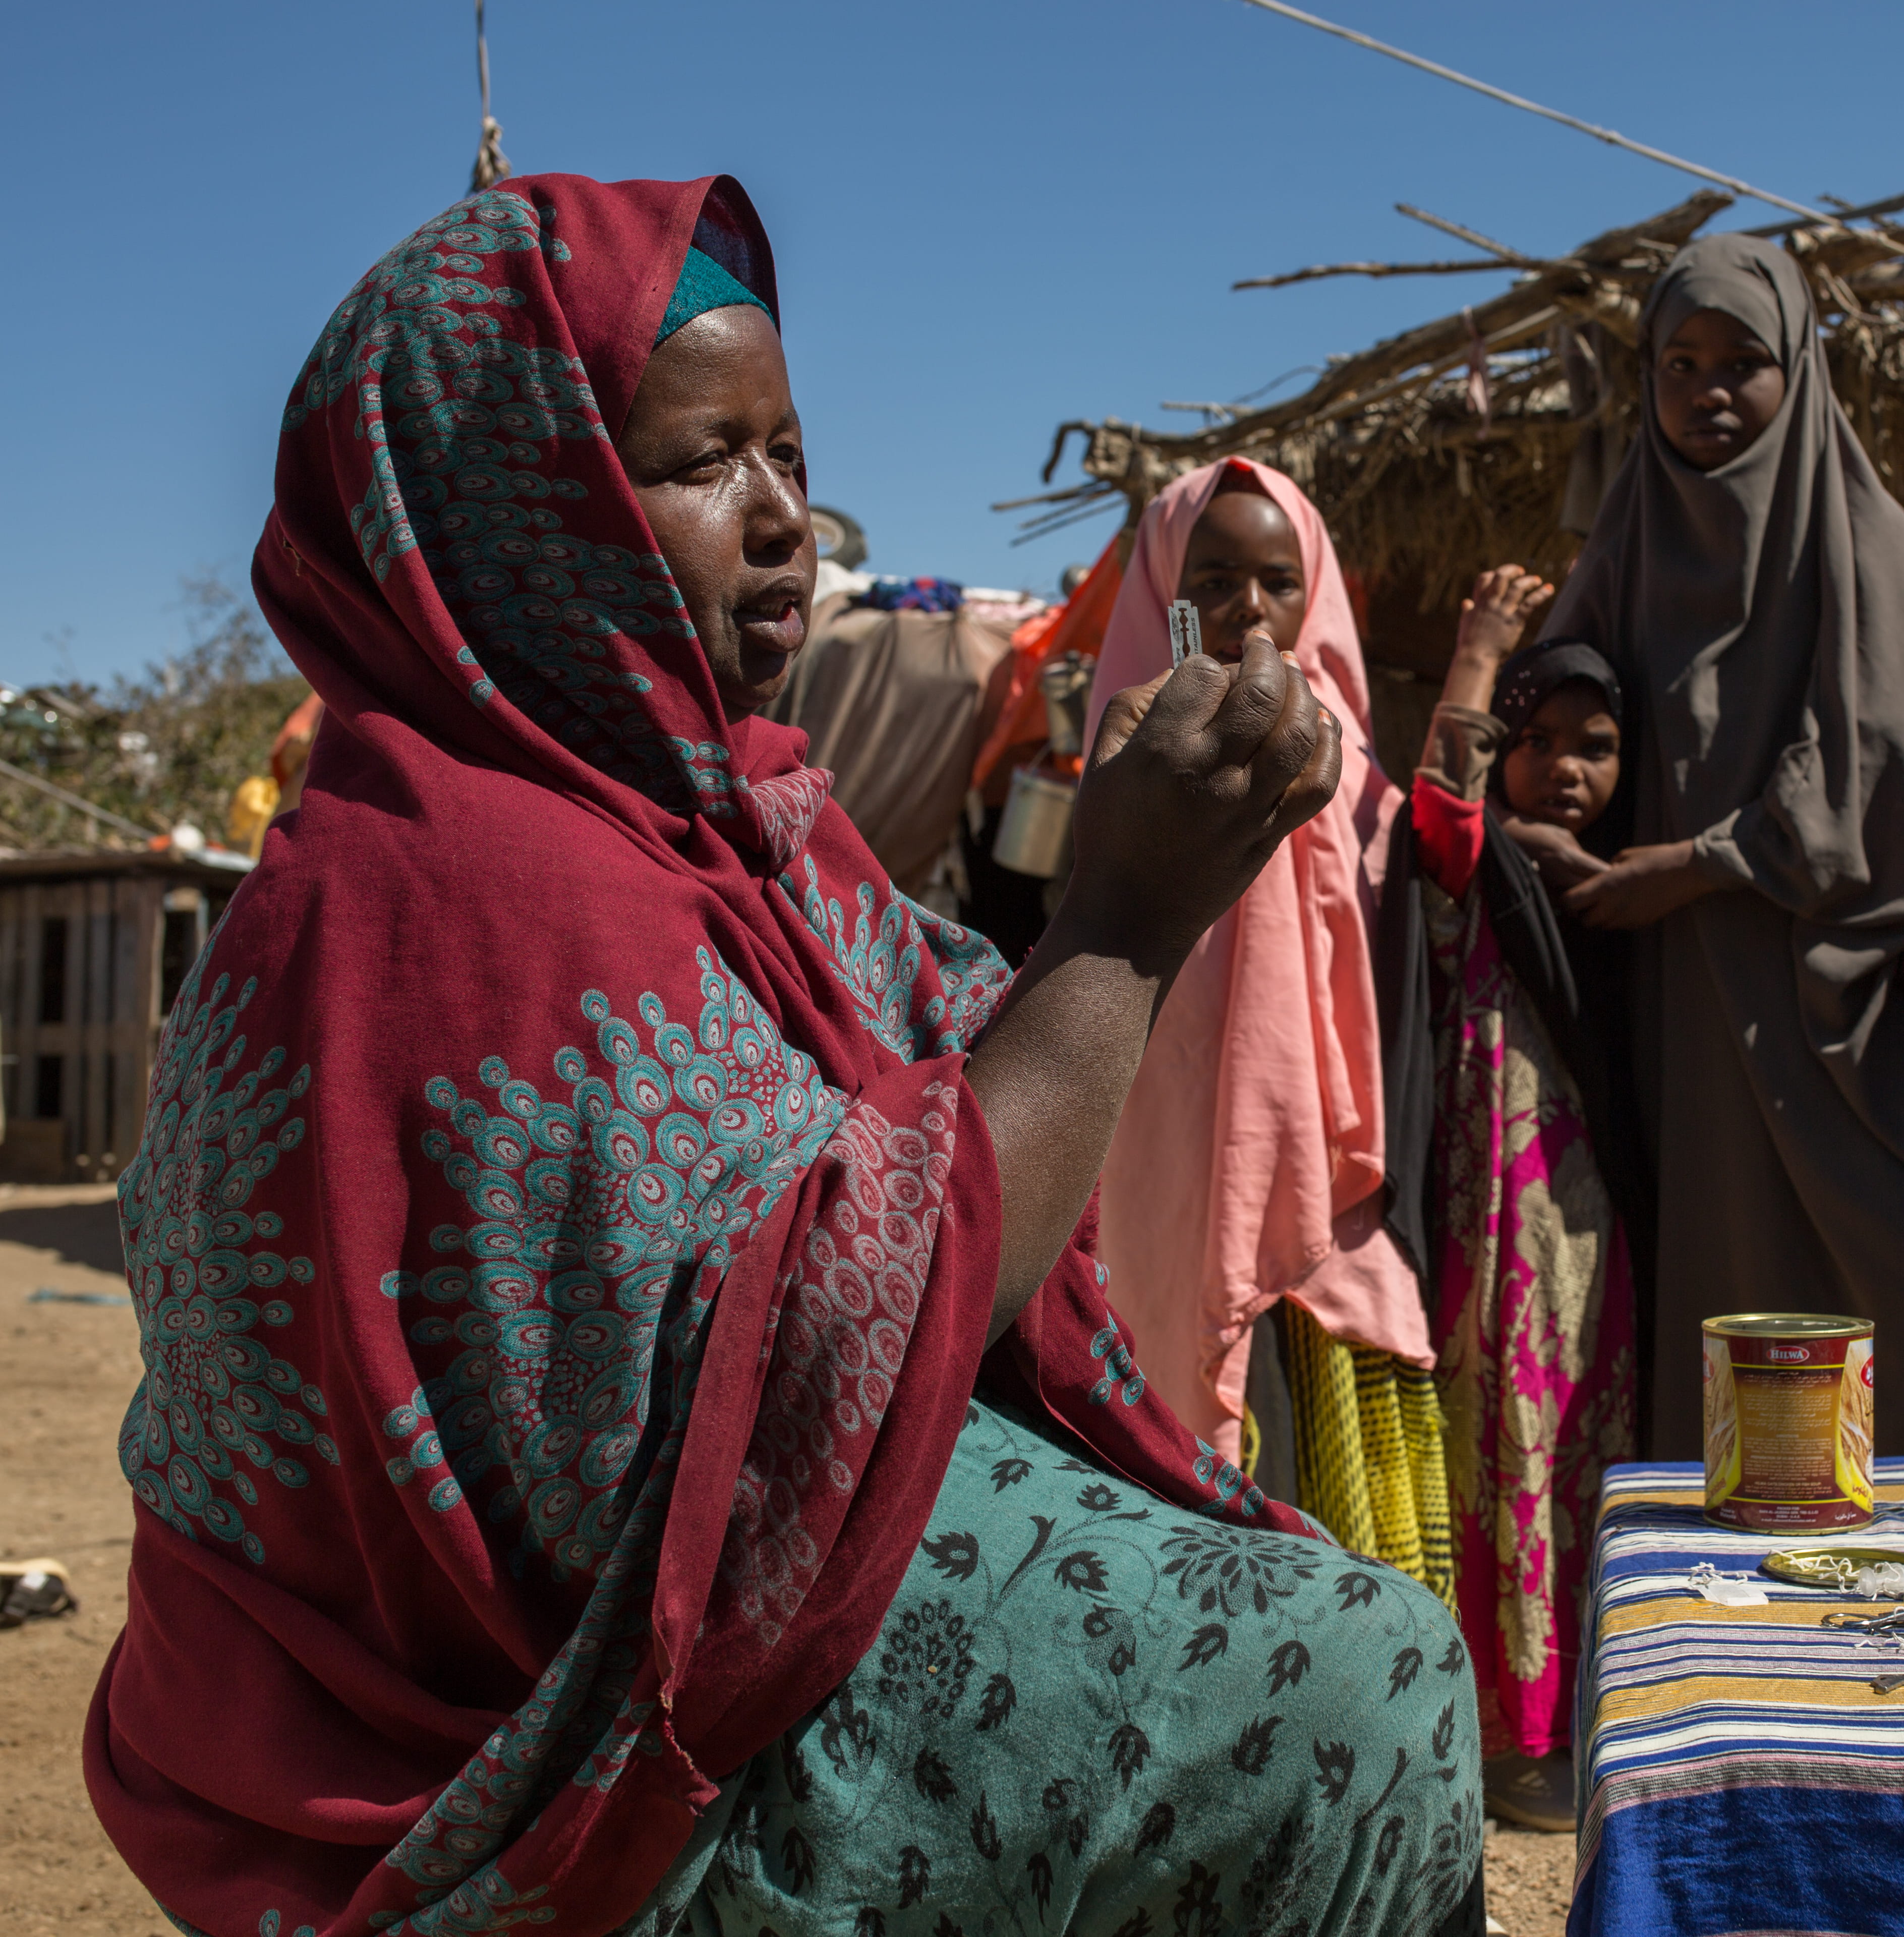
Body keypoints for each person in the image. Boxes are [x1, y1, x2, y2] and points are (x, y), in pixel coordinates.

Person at [84, 175, 1485, 1937]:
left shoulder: (733, 828)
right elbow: (822, 1388)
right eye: (697, 464)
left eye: (789, 456)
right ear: (523, 504)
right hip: (595, 1772)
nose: (783, 525)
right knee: (1356, 1696)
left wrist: (1125, 903)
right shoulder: (454, 897)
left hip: (666, 1676)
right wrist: (1124, 927)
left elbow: (930, 1045)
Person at [1539, 232, 1904, 1460]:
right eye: (1678, 361)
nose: (1706, 391)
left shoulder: (1861, 542)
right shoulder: (1630, 541)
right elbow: (1551, 733)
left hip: (1816, 993)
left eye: (1742, 363)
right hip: (1671, 1002)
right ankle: (1767, 1590)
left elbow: (1881, 773)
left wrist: (1689, 867)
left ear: (1798, 368)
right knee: (1718, 1263)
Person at [1084, 459, 1454, 1597]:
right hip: (1172, 1156)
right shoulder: (1135, 747)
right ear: (1167, 589)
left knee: (1315, 1474)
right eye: (1218, 579)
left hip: (1324, 1188)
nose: (1251, 608)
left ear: (1317, 594)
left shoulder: (1343, 754)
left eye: (1278, 583)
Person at [1383, 568, 1639, 1835]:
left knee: (1596, 1456)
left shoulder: (1622, 899)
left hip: (1599, 1238)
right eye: (1537, 743)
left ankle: (1596, 1714)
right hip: (1494, 1224)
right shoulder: (1484, 881)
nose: (1566, 768)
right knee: (1508, 1452)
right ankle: (1515, 1734)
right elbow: (1438, 819)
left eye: (1595, 746)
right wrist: (1478, 655)